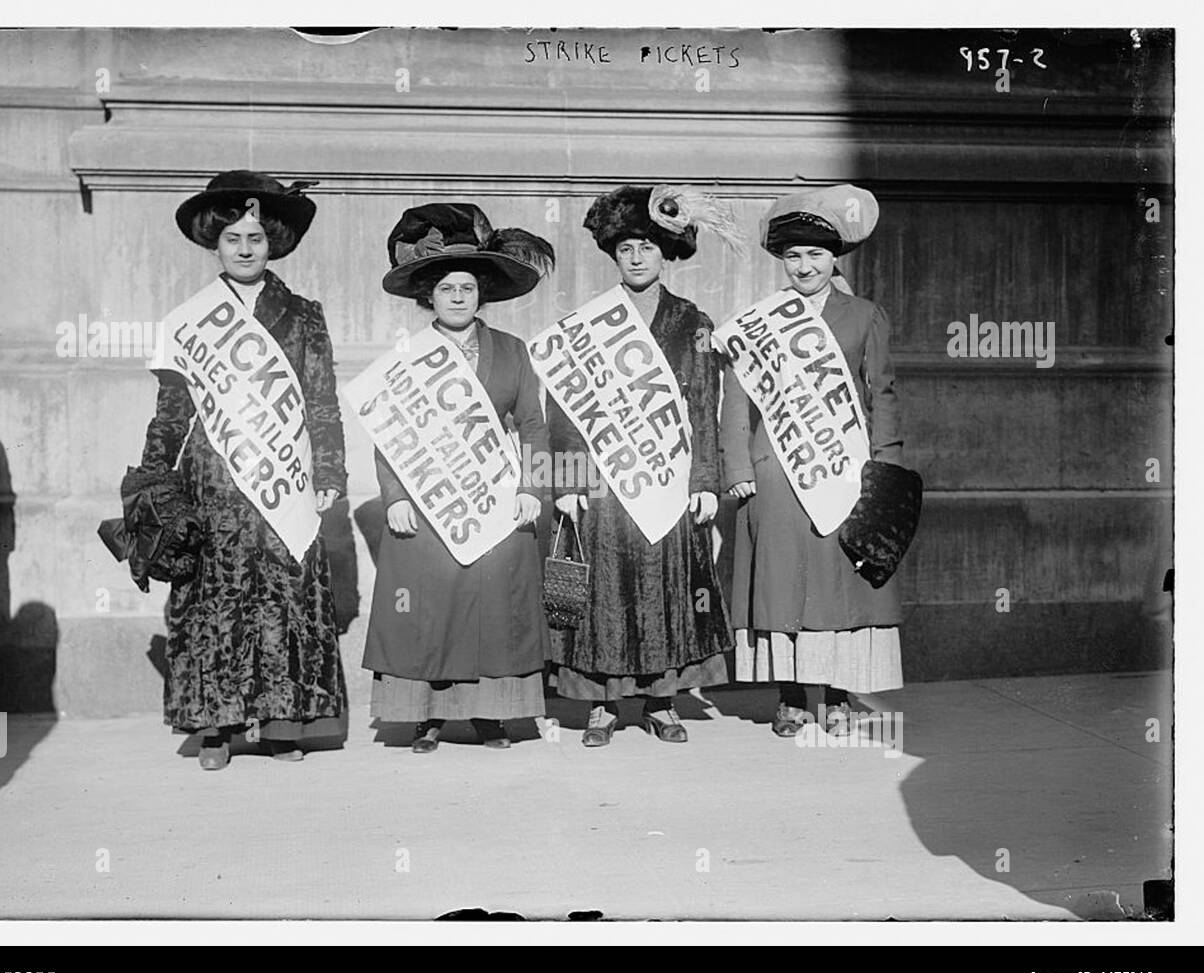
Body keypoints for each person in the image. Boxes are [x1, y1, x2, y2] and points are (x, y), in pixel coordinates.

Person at [143, 170, 348, 770]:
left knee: (284, 599)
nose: (244, 248)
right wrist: (154, 478)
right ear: (216, 243)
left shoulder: (305, 316)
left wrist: (330, 472)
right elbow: (171, 411)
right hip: (213, 483)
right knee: (214, 602)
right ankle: (216, 728)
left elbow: (322, 401)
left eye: (255, 237)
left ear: (272, 243)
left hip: (287, 479)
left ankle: (283, 724)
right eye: (233, 237)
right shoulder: (188, 322)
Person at [549, 185, 736, 747]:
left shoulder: (691, 320)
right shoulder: (588, 323)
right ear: (613, 253)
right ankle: (604, 706)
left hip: (668, 479)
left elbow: (705, 401)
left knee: (665, 590)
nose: (636, 257)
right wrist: (568, 480)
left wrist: (705, 480)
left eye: (648, 246)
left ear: (666, 254)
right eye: (627, 246)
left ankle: (661, 700)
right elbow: (563, 407)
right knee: (606, 592)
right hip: (605, 483)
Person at [364, 203, 554, 752]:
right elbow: (388, 432)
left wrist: (530, 489)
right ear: (429, 297)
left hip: (494, 497)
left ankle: (492, 714)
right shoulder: (409, 357)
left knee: (494, 605)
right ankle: (426, 716)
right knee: (430, 604)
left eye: (466, 288)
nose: (456, 297)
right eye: (445, 288)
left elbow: (535, 429)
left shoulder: (513, 352)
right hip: (428, 498)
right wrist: (394, 496)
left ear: (481, 295)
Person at [719, 184, 905, 736]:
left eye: (815, 255)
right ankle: (792, 696)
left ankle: (843, 694)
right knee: (785, 586)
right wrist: (738, 469)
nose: (804, 265)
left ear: (833, 259)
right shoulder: (758, 322)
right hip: (776, 473)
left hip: (846, 470)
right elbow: (737, 401)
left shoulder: (864, 316)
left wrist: (885, 467)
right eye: (794, 255)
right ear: (783, 260)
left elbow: (882, 395)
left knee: (840, 586)